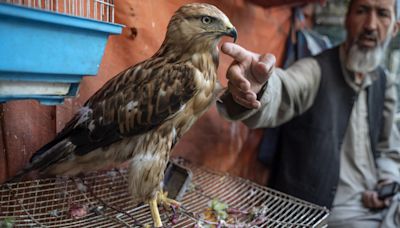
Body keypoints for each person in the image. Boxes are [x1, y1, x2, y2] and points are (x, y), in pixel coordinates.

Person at [217, 0, 400, 227]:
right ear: (347, 19)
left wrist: (387, 183)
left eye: (382, 14)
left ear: (394, 27)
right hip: (327, 217)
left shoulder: (385, 83)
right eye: (362, 11)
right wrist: (259, 87)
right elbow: (285, 88)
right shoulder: (316, 70)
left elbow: (388, 149)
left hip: (379, 209)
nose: (370, 25)